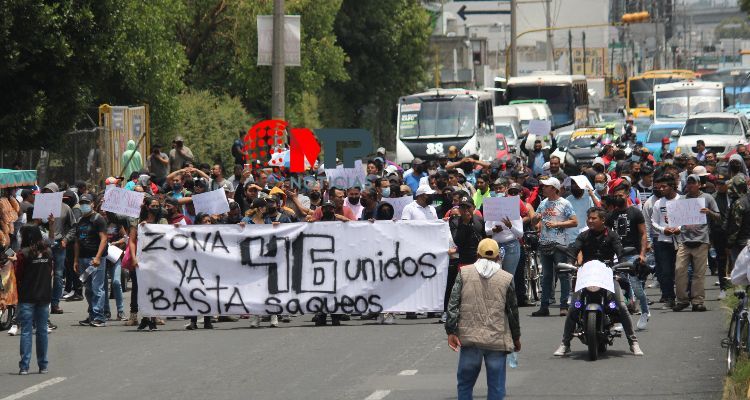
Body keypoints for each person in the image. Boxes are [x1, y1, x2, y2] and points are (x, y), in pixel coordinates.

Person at [553, 207, 643, 357]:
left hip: (607, 276)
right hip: (586, 276)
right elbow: (573, 250)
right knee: (574, 308)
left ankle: (633, 342)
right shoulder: (583, 236)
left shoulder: (613, 236)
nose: (590, 220)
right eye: (589, 218)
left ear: (603, 220)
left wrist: (622, 265)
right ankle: (565, 343)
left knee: (621, 305)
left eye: (594, 218)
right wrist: (569, 263)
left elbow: (620, 252)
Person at [445, 238, 521, 400]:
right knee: (496, 387)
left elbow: (453, 303)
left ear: (477, 255)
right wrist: (516, 337)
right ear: (498, 257)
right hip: (496, 340)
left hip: (470, 339)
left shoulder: (464, 273)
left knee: (465, 385)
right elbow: (513, 311)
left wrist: (451, 331)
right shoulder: (506, 278)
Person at [671, 174, 721, 312]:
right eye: (689, 183)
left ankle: (697, 301)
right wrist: (675, 227)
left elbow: (719, 216)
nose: (691, 185)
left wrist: (708, 212)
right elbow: (675, 219)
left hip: (701, 240)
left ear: (699, 184)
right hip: (684, 240)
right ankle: (682, 300)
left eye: (693, 183)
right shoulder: (682, 200)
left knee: (699, 273)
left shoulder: (707, 198)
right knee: (679, 270)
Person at [531, 177, 578, 317]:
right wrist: (536, 218)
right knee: (546, 276)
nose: (543, 188)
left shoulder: (565, 203)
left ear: (554, 188)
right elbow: (535, 221)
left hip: (560, 244)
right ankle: (544, 306)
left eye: (546, 186)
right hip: (544, 243)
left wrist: (557, 224)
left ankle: (563, 305)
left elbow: (574, 222)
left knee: (563, 274)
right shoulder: (543, 203)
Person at [14, 221, 55, 375]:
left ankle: (24, 366)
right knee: (42, 330)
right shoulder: (48, 253)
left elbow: (18, 275)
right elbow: (51, 270)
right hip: (44, 296)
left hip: (27, 297)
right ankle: (43, 365)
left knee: (26, 331)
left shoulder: (22, 254)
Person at [606, 187, 650, 329]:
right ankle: (619, 318)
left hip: (633, 253)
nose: (618, 197)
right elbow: (606, 235)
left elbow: (643, 233)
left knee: (636, 286)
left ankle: (644, 311)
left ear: (626, 196)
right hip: (617, 255)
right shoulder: (611, 215)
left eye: (620, 195)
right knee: (618, 286)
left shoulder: (635, 212)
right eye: (615, 195)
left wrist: (642, 254)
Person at [73, 194, 108, 327]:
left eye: (86, 202)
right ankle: (92, 314)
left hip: (95, 259)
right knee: (88, 289)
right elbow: (77, 241)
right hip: (82, 258)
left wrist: (98, 257)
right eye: (82, 203)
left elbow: (104, 239)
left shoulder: (98, 219)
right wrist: (75, 260)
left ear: (93, 203)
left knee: (97, 287)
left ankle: (99, 317)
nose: (84, 205)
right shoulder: (81, 220)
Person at [650, 174, 681, 308]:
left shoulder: (682, 200)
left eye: (664, 186)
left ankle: (684, 297)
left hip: (680, 241)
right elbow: (653, 222)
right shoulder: (658, 203)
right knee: (666, 272)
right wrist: (663, 230)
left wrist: (679, 228)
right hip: (664, 241)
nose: (661, 189)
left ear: (672, 186)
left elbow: (688, 219)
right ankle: (669, 298)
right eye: (659, 187)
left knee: (681, 271)